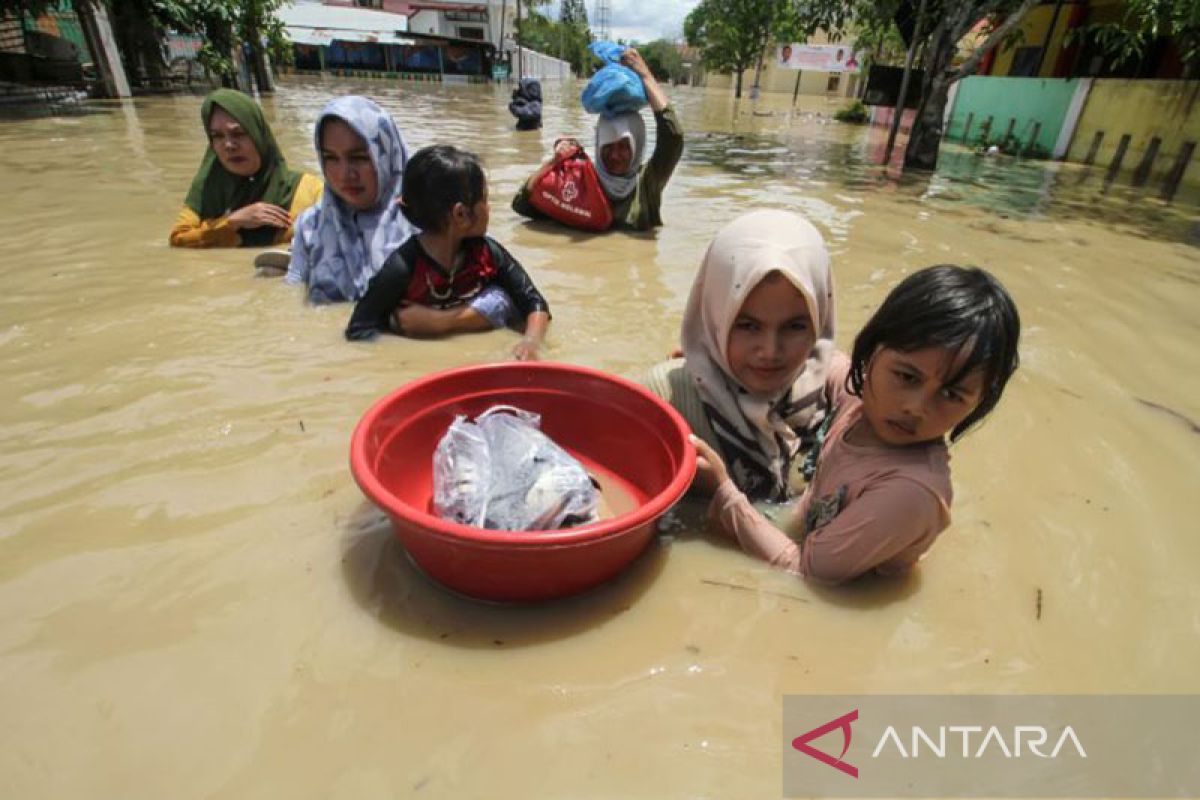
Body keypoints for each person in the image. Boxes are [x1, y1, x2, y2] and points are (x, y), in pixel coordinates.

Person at [694, 265, 1021, 584]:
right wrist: (718, 364)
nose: (916, 407)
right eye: (907, 377)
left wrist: (724, 493)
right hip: (806, 522)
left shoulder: (909, 492)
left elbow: (807, 573)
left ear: (978, 403)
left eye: (952, 394)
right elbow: (816, 360)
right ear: (872, 351)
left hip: (836, 581)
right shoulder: (860, 395)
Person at [640, 210, 836, 502]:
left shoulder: (835, 395)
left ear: (820, 320)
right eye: (747, 326)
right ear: (715, 317)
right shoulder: (664, 400)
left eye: (794, 326)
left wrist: (725, 496)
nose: (770, 351)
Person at [346, 145, 551, 361]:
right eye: (485, 200)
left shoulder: (488, 254)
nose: (489, 209)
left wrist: (531, 342)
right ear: (461, 214)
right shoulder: (402, 268)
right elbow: (358, 332)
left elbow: (535, 303)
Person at [511, 48, 683, 232]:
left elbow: (673, 137)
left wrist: (645, 75)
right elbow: (523, 205)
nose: (615, 155)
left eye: (624, 146)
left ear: (637, 145)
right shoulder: (582, 181)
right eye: (608, 147)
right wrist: (555, 162)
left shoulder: (648, 183)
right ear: (598, 144)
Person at [286, 96, 415, 304]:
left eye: (359, 158)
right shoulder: (310, 225)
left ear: (386, 154)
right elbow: (292, 297)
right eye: (331, 158)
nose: (345, 174)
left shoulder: (425, 221)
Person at [170, 89, 322, 248]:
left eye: (239, 133)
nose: (229, 145)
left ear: (259, 136)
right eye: (217, 136)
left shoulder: (308, 189)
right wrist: (231, 222)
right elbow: (178, 240)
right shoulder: (206, 190)